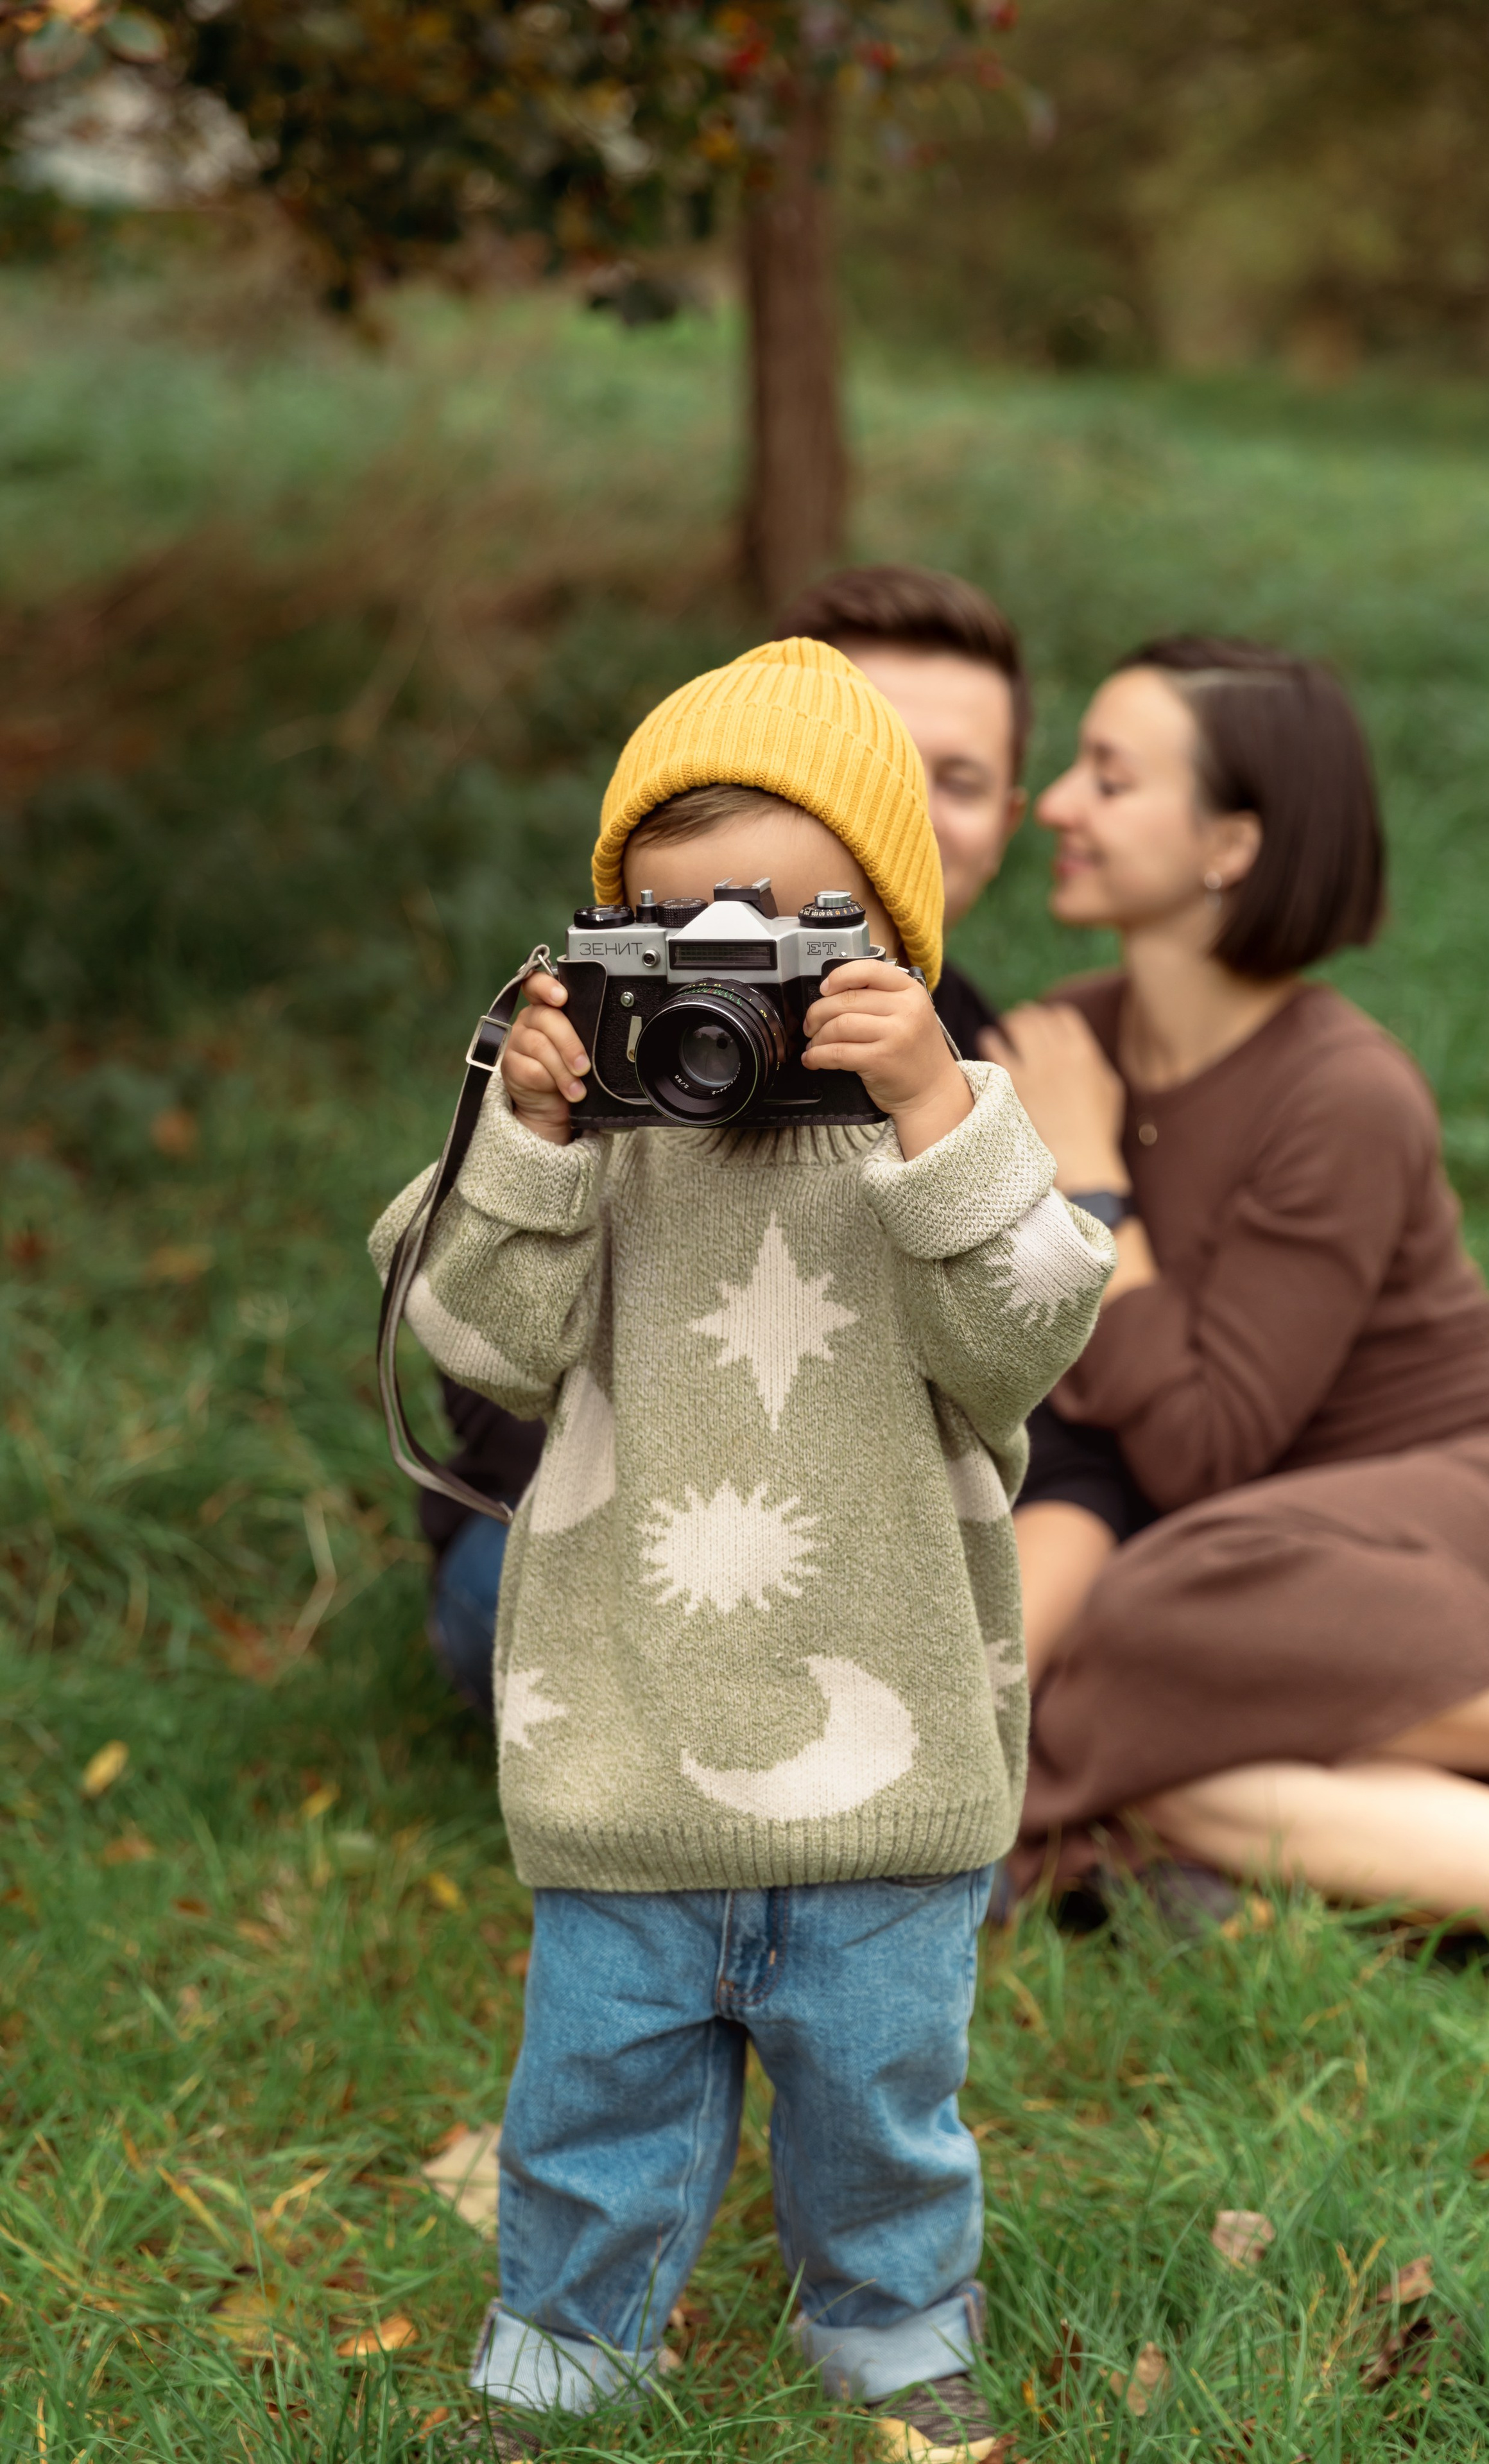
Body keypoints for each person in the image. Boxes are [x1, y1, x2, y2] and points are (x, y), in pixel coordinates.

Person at [370, 637, 1112, 2454]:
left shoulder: (945, 1136)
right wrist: (535, 1125)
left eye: (796, 928)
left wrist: (937, 1107)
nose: (735, 978)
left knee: (883, 2102)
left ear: (905, 944)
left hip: (899, 1762)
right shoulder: (597, 1137)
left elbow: (1031, 1333)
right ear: (604, 934)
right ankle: (561, 2353)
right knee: (590, 2100)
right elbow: (472, 1343)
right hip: (624, 1744)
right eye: (682, 928)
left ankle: (895, 2332)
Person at [980, 634, 1489, 1968]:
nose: (1051, 804)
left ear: (1231, 843)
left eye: (1107, 778)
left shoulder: (1340, 1090)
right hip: (1292, 1549)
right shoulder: (1067, 1038)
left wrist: (1099, 1198)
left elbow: (1199, 1448)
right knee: (1157, 1736)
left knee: (1163, 1610)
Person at [420, 566, 1145, 1715]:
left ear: (1002, 817)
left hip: (869, 1569)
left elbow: (1038, 1388)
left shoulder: (978, 1071)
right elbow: (488, 1366)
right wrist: (537, 1138)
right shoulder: (612, 1064)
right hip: (604, 1539)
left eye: (942, 778)